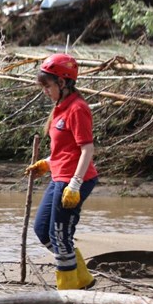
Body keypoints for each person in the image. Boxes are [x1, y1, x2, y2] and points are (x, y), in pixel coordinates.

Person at [25, 53, 99, 290]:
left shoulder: (77, 109)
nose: (45, 91)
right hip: (60, 176)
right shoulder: (60, 108)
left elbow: (87, 149)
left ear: (63, 83)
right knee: (42, 229)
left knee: (60, 235)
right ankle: (83, 278)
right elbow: (65, 149)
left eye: (48, 86)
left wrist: (75, 184)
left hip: (73, 181)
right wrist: (47, 163)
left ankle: (66, 293)